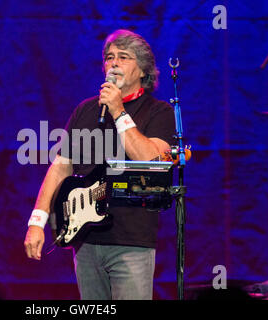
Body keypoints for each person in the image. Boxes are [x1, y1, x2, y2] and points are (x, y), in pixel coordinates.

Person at [24, 29, 176, 300]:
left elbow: (151, 160)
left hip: (131, 243)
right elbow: (61, 167)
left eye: (124, 57)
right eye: (109, 57)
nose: (113, 63)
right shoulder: (86, 110)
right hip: (86, 240)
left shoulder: (159, 112)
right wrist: (37, 221)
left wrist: (118, 111)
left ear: (143, 71)